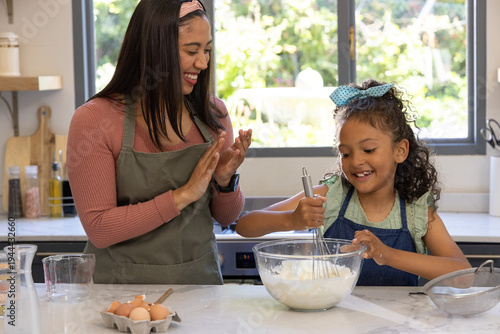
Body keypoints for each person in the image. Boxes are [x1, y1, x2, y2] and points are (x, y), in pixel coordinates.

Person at [67, 0, 252, 285]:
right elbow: (100, 228)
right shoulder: (95, 120)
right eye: (191, 51)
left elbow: (226, 217)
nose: (202, 63)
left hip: (199, 290)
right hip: (118, 299)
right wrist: (184, 194)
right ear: (154, 50)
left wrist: (226, 181)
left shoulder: (213, 114)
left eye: (207, 50)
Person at [236, 79, 470, 286]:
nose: (356, 161)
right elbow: (245, 226)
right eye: (345, 153)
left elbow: (464, 276)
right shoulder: (330, 196)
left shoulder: (416, 211)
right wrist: (291, 219)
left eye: (368, 149)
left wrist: (386, 254)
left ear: (400, 150)